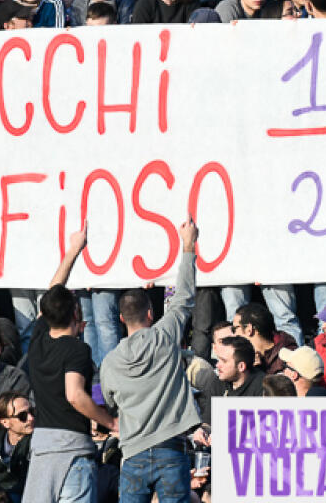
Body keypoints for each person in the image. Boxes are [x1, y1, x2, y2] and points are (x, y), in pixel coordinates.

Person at [99, 215, 201, 503]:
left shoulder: (109, 362)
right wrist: (188, 246)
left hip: (133, 454)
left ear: (120, 318)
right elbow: (184, 297)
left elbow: (109, 402)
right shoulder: (165, 336)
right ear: (150, 314)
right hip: (171, 449)